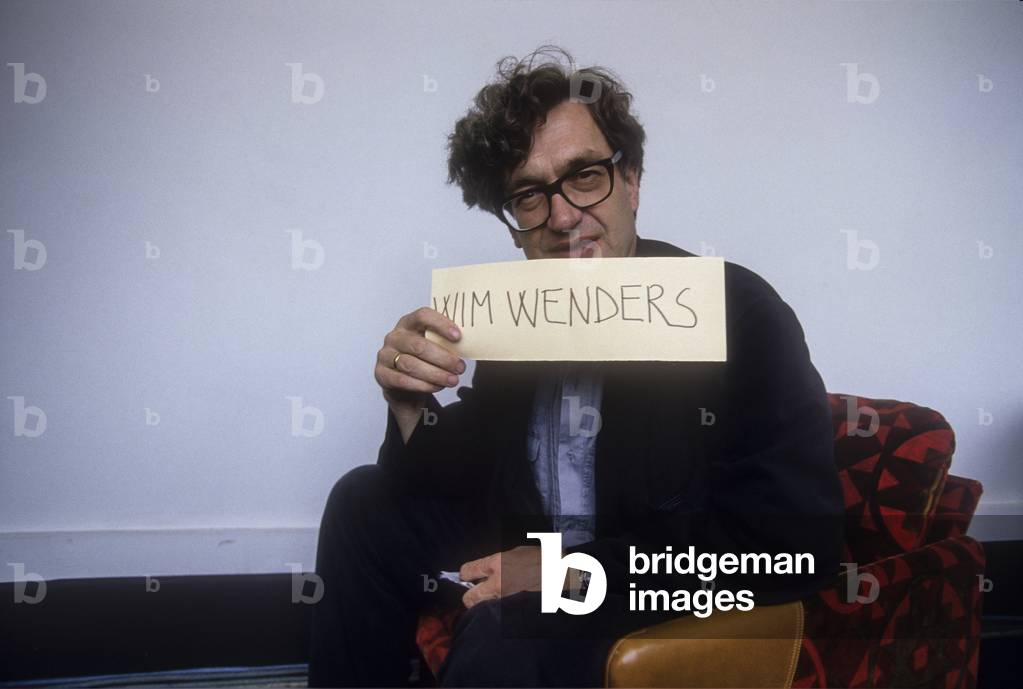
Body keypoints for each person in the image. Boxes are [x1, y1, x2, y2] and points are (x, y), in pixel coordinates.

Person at [308, 45, 844, 688]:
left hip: (652, 583)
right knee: (360, 501)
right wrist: (409, 404)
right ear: (512, 226)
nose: (562, 217)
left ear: (633, 179)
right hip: (535, 546)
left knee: (508, 633)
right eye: (530, 195)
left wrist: (566, 570)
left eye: (585, 175)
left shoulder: (736, 310)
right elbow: (459, 481)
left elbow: (794, 552)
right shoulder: (517, 313)